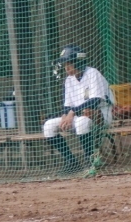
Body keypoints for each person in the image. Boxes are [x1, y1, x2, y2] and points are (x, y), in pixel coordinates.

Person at [43, 44, 114, 174]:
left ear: (79, 62)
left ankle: (90, 160)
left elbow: (95, 101)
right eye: (65, 64)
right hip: (79, 116)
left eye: (70, 63)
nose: (67, 67)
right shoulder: (69, 80)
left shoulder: (93, 73)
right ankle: (71, 162)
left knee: (82, 122)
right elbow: (67, 105)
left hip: (102, 115)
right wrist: (65, 115)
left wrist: (72, 113)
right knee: (48, 126)